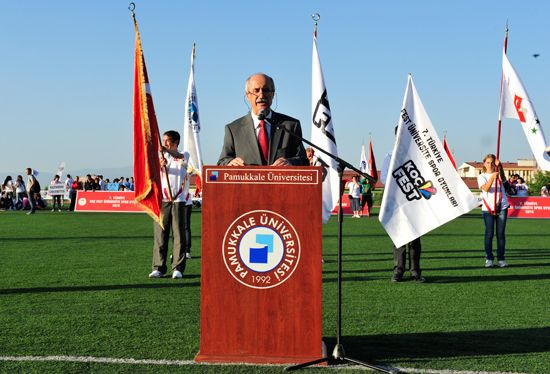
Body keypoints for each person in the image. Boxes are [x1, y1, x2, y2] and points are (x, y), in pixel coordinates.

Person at [217, 73, 308, 167]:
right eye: (256, 90)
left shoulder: (290, 126)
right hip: (248, 181)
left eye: (266, 90)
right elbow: (222, 162)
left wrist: (291, 163)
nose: (261, 95)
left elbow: (303, 160)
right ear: (248, 95)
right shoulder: (233, 129)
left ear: (273, 94)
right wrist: (229, 163)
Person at [149, 130, 190, 279]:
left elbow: (179, 157)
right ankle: (158, 267)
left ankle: (178, 267)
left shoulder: (184, 154)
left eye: (166, 141)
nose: (163, 143)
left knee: (178, 234)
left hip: (178, 200)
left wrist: (166, 151)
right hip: (163, 200)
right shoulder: (161, 157)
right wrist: (160, 165)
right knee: (160, 234)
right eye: (164, 140)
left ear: (175, 142)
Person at [478, 154, 509, 268]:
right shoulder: (482, 176)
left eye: (492, 162)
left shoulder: (498, 174)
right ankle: (489, 258)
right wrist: (492, 178)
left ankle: (501, 259)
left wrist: (500, 167)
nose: (490, 165)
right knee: (489, 234)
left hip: (502, 207)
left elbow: (504, 181)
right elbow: (485, 188)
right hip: (488, 208)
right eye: (487, 162)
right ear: (484, 164)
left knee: (500, 234)